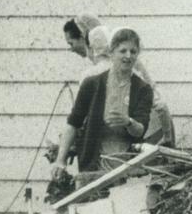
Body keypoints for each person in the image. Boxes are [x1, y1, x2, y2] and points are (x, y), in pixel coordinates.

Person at [56, 27, 153, 177]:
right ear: (111, 52)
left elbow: (141, 129)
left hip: (128, 168)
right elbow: (73, 123)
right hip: (94, 165)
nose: (128, 56)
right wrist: (60, 161)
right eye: (123, 51)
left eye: (133, 51)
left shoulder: (143, 89)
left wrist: (128, 122)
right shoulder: (92, 84)